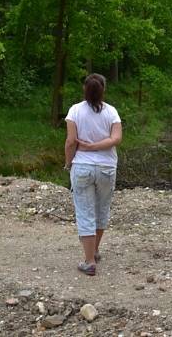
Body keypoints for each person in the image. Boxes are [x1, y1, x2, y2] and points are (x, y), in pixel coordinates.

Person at [64, 73, 122, 276]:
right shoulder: (112, 112)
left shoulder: (74, 110)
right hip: (107, 168)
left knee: (85, 212)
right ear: (103, 89)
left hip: (82, 167)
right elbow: (116, 138)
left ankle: (89, 261)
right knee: (101, 210)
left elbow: (71, 141)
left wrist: (68, 162)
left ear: (84, 90)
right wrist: (98, 146)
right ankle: (94, 251)